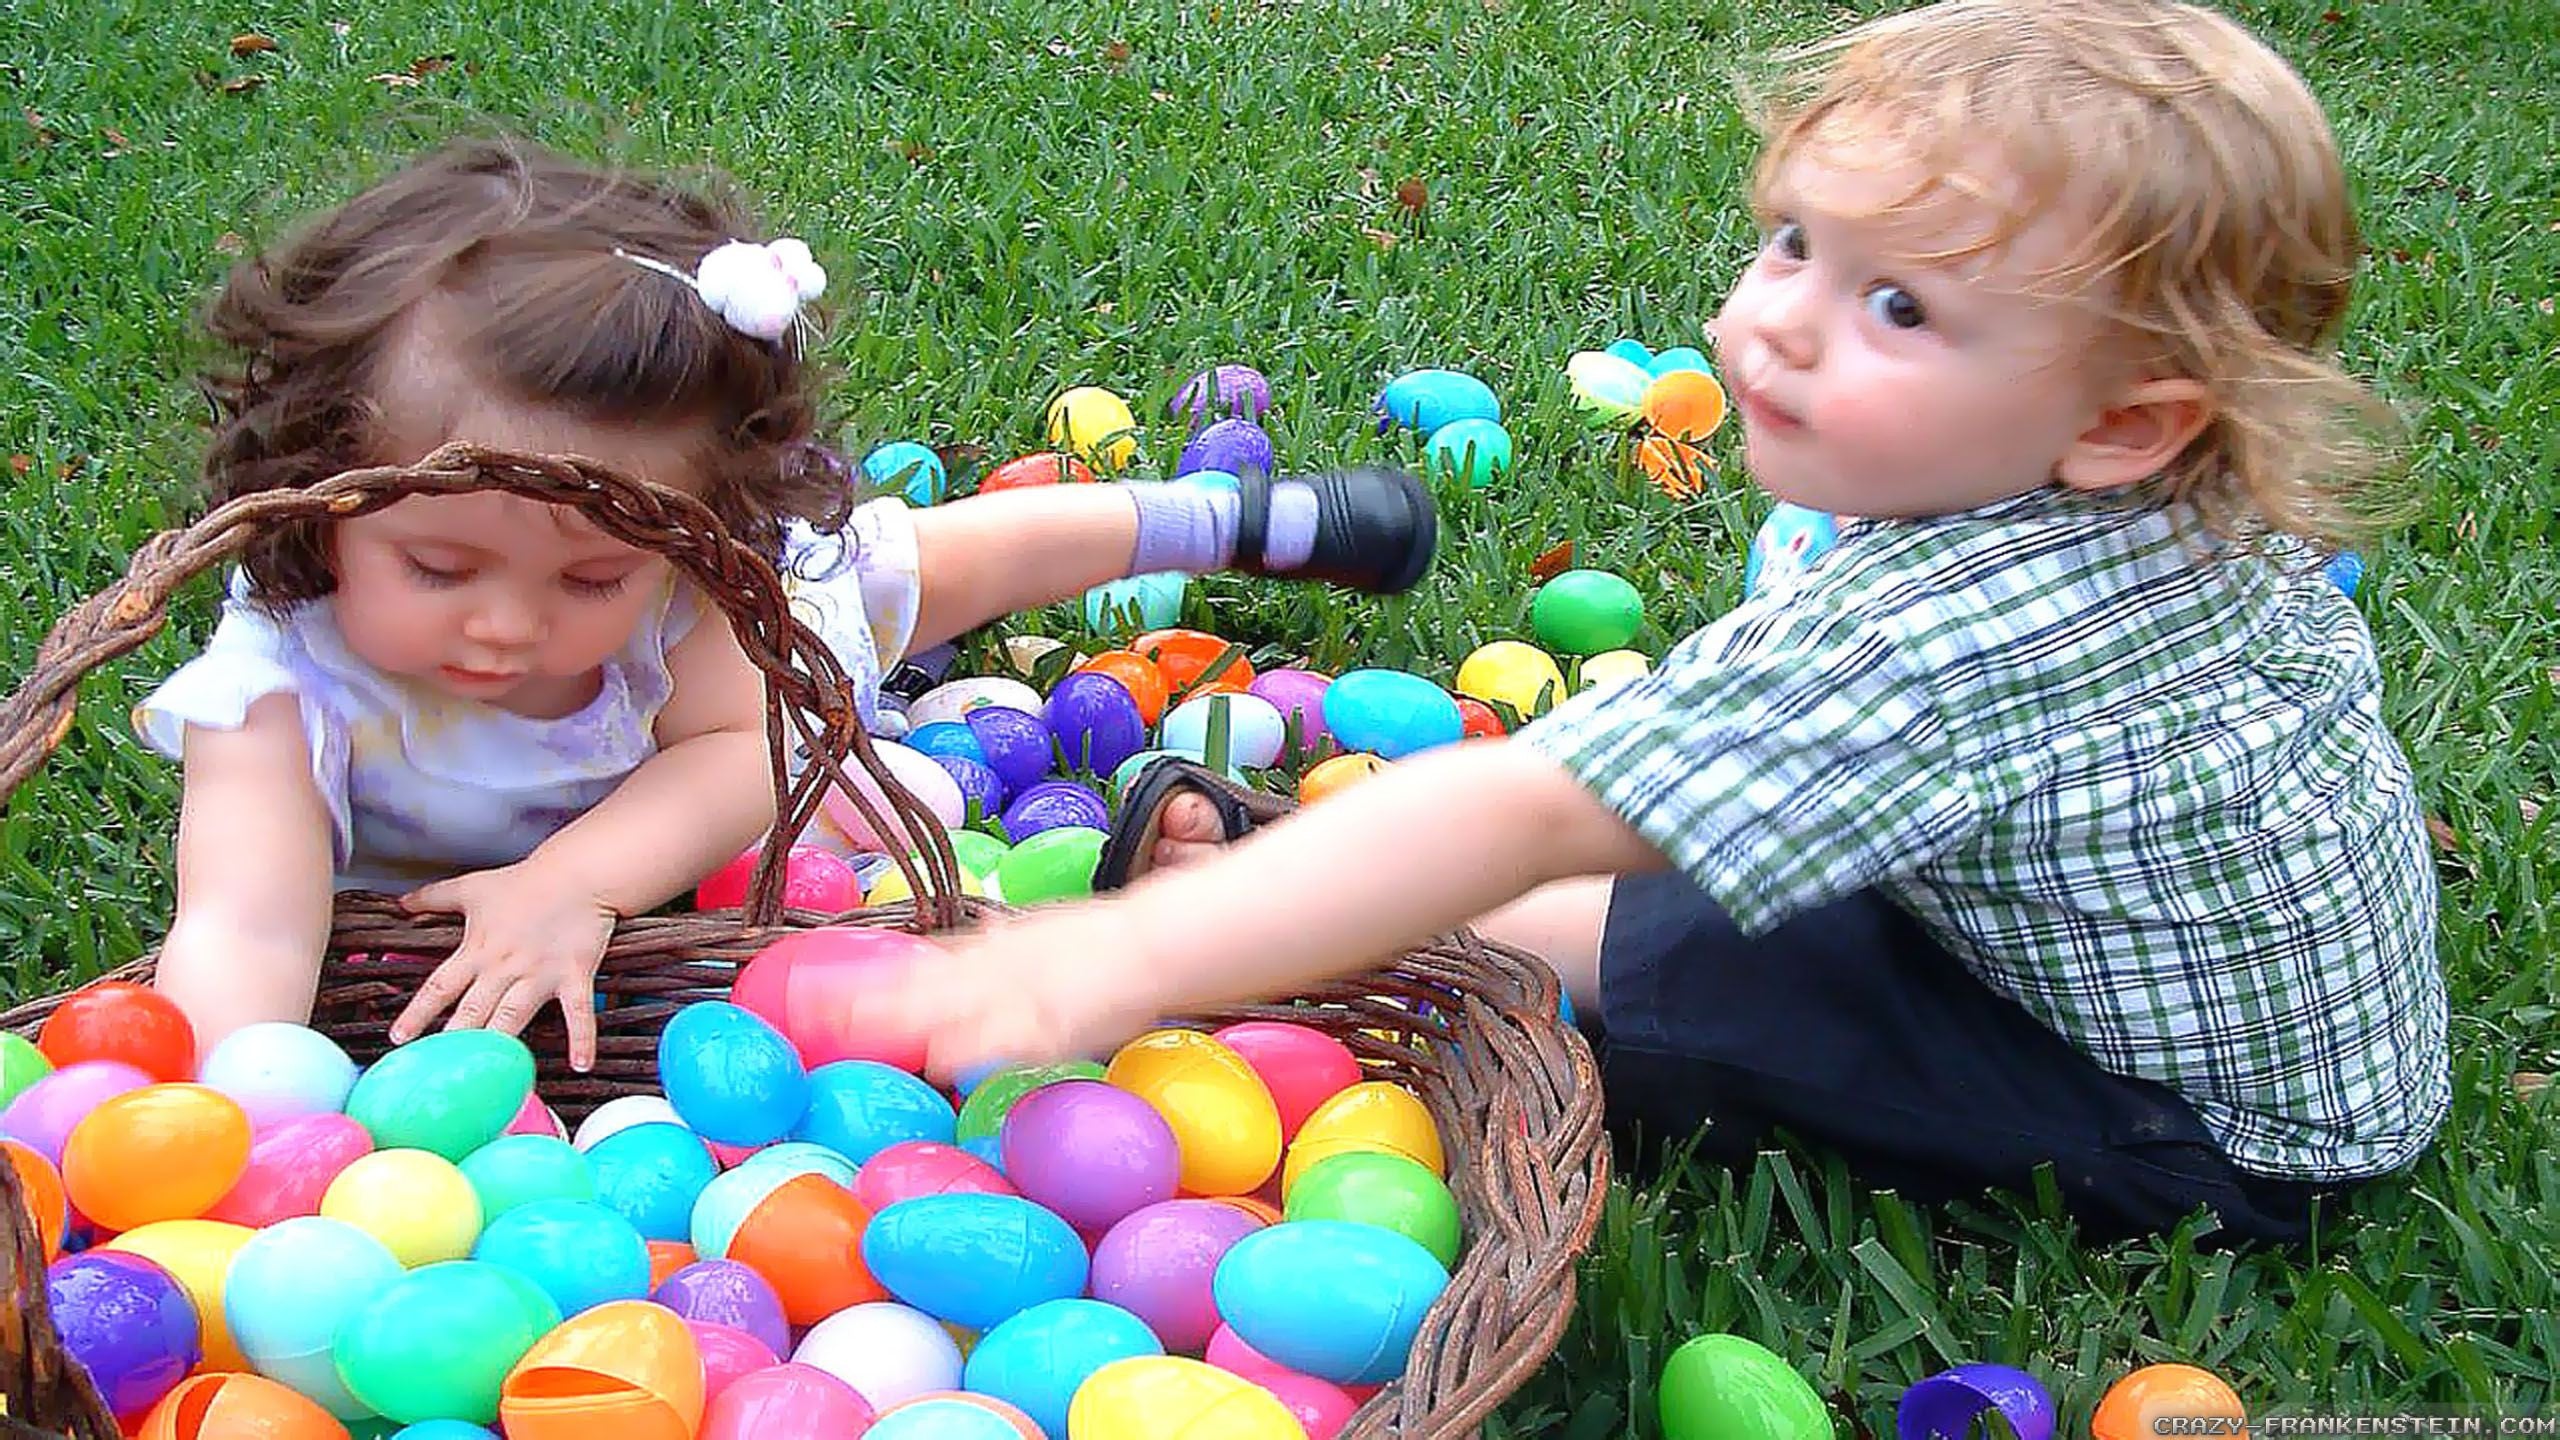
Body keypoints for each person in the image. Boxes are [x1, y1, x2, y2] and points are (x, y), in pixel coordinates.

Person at [878, 0, 2449, 1243]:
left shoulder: (1949, 640)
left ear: (2121, 425)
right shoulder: (2093, 490)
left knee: (1701, 995)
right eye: (1796, 244)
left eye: (1898, 306)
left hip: (2183, 1123)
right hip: (2039, 930)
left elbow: (1532, 803)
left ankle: (1292, 926)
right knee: (1677, 889)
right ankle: (1318, 897)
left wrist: (1112, 961)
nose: (1775, 316)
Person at [133, 137, 1435, 1070]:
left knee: (919, 570)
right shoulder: (280, 689)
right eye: (438, 568)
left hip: (772, 694)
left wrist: (574, 882)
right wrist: (211, 1120)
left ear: (679, 541)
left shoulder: (690, 598)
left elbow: (740, 753)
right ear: (318, 497)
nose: (507, 626)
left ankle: (1231, 520)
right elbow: (245, 921)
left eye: (589, 579)